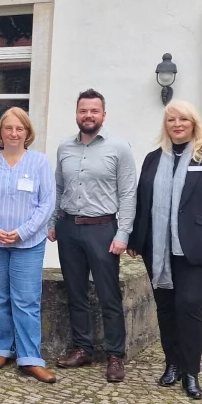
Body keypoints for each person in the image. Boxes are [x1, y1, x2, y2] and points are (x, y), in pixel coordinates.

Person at [128, 100, 202, 400]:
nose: (177, 124)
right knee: (166, 309)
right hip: (157, 248)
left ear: (194, 123)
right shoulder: (152, 159)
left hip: (196, 250)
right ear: (166, 125)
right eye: (171, 119)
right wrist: (135, 239)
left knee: (188, 305)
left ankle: (191, 372)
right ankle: (171, 363)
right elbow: (141, 203)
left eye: (183, 119)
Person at [47, 88, 136, 383]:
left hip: (103, 229)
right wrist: (53, 221)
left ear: (103, 115)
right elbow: (59, 188)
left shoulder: (119, 147)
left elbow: (127, 194)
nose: (88, 116)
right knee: (76, 293)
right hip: (69, 228)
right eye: (83, 111)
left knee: (109, 294)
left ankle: (115, 355)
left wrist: (123, 233)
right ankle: (82, 348)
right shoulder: (64, 148)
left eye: (94, 111)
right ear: (76, 114)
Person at [0, 107, 56, 383]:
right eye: (8, 128)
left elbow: (46, 204)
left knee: (27, 300)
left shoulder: (40, 163)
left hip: (29, 243)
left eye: (20, 128)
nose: (14, 133)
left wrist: (21, 232)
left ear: (27, 132)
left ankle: (30, 358)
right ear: (0, 133)